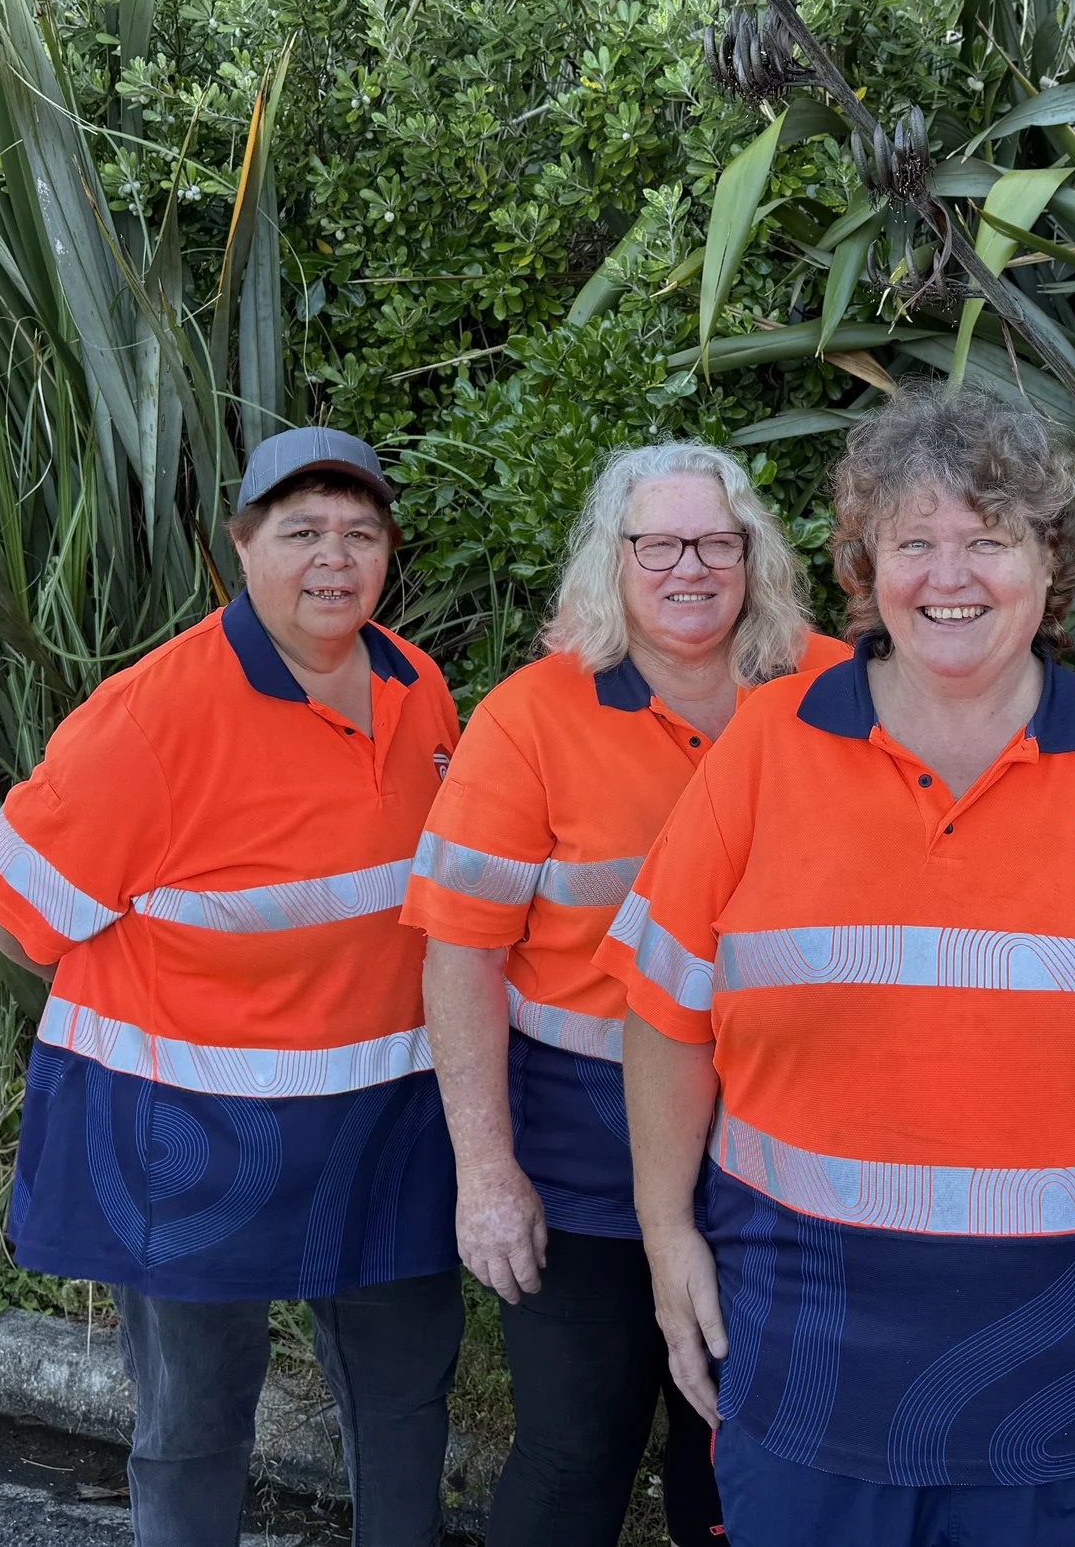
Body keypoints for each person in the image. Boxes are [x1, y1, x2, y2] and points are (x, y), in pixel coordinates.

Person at [595, 384, 1075, 1547]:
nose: (950, 576)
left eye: (989, 540)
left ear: (1049, 568)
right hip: (812, 1374)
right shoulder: (762, 754)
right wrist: (667, 1234)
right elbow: (664, 1019)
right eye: (912, 542)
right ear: (864, 568)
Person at [0, 426, 464, 1547]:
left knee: (404, 1399)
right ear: (241, 547)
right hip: (190, 1129)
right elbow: (10, 908)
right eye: (301, 533)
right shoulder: (150, 718)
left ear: (386, 554)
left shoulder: (414, 682)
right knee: (194, 1419)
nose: (333, 559)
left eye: (358, 533)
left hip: (383, 1117)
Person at [403, 443, 846, 1547]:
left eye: (714, 542)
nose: (688, 567)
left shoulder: (837, 691)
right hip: (583, 1147)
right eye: (658, 544)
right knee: (575, 1449)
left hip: (780, 1144)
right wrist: (485, 1173)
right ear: (615, 560)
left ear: (752, 556)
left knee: (746, 1445)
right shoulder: (531, 718)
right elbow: (459, 953)